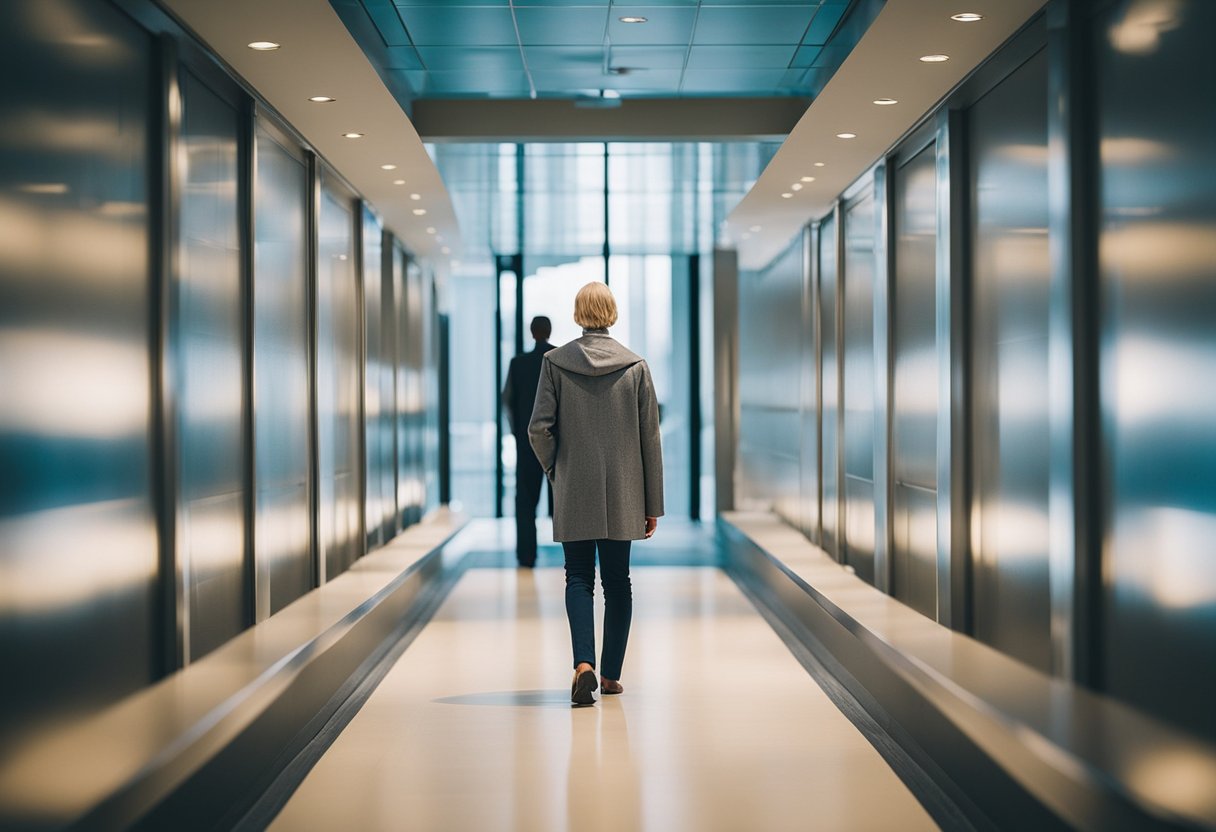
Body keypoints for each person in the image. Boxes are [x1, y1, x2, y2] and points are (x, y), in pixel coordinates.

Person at [528, 283, 664, 706]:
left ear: (577, 314)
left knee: (579, 577)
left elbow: (539, 429)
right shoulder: (636, 367)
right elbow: (650, 440)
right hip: (625, 492)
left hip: (575, 487)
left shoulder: (555, 363)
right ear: (612, 313)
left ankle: (582, 664)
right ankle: (609, 676)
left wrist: (556, 469)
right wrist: (652, 504)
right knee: (618, 582)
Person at [502, 316, 556, 568]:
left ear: (531, 332)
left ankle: (527, 555)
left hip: (527, 444)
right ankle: (576, 553)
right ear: (550, 331)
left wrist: (516, 432)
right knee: (567, 500)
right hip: (559, 443)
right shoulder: (559, 359)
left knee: (525, 503)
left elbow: (508, 402)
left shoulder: (518, 363)